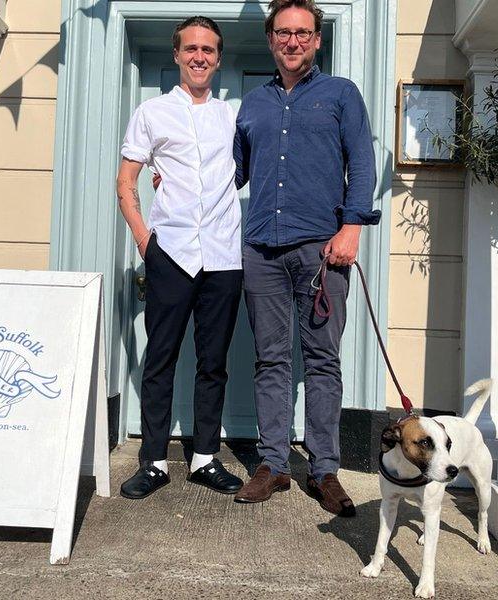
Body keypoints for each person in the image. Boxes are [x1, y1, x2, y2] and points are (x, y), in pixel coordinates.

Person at [232, 0, 380, 516]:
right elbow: (233, 173)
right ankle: (273, 464)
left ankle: (324, 470)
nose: (292, 42)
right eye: (282, 33)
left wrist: (352, 228)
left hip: (323, 249)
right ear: (270, 39)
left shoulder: (340, 94)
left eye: (302, 33)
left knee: (321, 360)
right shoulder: (252, 103)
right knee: (270, 357)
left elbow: (363, 161)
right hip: (262, 250)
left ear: (317, 40)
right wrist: (178, 180)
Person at [116, 16, 244, 499]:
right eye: (190, 48)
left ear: (218, 57)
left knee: (213, 361)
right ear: (176, 55)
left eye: (208, 49)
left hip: (223, 255)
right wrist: (144, 241)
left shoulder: (233, 117)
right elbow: (125, 182)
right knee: (161, 357)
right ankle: (152, 461)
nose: (199, 56)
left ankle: (206, 458)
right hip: (169, 252)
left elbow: (239, 175)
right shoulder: (152, 113)